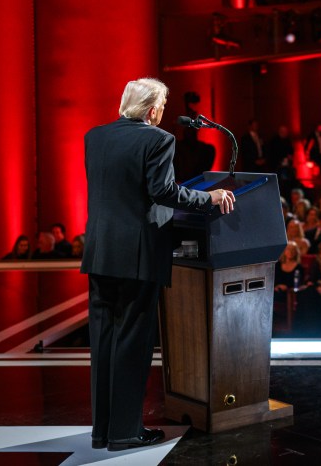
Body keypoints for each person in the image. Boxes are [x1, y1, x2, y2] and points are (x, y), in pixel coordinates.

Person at [83, 78, 234, 451]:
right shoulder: (158, 140)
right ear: (153, 110)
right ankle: (124, 433)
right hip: (137, 255)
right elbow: (163, 191)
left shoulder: (95, 136)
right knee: (132, 341)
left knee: (103, 342)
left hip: (101, 252)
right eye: (162, 107)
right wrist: (209, 197)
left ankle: (103, 430)